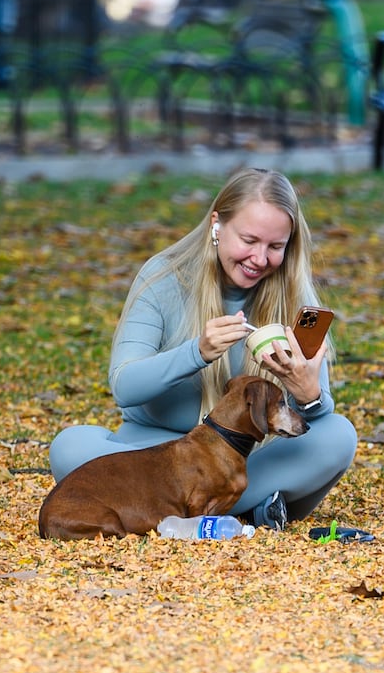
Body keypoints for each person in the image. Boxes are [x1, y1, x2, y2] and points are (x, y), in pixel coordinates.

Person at [46, 168, 358, 530]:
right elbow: (124, 386)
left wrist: (310, 396)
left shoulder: (294, 296)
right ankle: (248, 508)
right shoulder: (164, 277)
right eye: (248, 240)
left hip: (248, 462)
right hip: (154, 463)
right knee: (70, 446)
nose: (259, 258)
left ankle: (197, 512)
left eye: (275, 247)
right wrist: (197, 352)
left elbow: (318, 420)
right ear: (216, 225)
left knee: (339, 434)